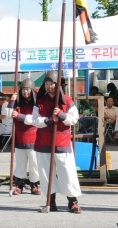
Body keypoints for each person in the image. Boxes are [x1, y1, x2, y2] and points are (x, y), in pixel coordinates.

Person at [32, 71, 82, 213]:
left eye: (52, 84)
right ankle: (50, 202)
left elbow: (73, 119)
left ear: (57, 84)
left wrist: (61, 114)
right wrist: (49, 120)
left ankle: (72, 202)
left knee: (68, 172)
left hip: (62, 142)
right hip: (43, 143)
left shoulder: (67, 100)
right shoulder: (40, 102)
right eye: (46, 84)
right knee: (46, 174)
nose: (49, 87)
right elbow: (35, 121)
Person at [8, 78, 40, 195]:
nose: (25, 92)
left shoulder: (37, 103)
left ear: (32, 90)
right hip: (20, 137)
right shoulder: (17, 101)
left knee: (34, 163)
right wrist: (12, 101)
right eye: (23, 90)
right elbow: (8, 115)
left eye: (27, 90)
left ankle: (34, 185)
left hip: (33, 137)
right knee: (21, 163)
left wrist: (19, 116)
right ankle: (19, 185)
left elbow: (35, 119)